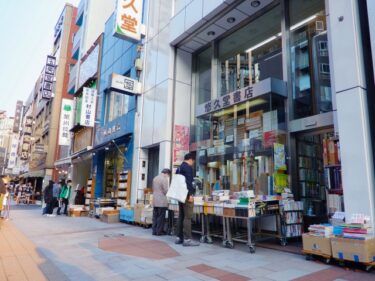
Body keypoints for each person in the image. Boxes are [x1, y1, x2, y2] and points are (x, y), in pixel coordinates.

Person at [175, 153, 199, 246]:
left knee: (181, 215)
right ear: (191, 159)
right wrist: (190, 195)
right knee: (188, 217)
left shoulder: (179, 168)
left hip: (180, 195)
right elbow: (189, 182)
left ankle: (179, 237)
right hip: (186, 195)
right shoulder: (188, 168)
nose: (193, 163)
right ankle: (187, 239)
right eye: (193, 161)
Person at [152, 168, 171, 236]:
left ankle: (154, 231)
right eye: (168, 175)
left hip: (155, 200)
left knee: (155, 216)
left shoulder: (155, 178)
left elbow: (154, 189)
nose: (168, 177)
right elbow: (165, 190)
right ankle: (159, 232)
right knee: (161, 217)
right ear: (167, 173)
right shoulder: (164, 179)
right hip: (161, 201)